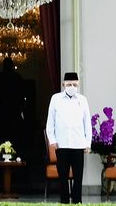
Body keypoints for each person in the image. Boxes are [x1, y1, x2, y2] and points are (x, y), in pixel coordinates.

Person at [45, 72, 91, 204]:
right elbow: (50, 123)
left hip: (78, 145)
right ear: (63, 84)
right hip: (61, 144)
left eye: (74, 84)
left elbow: (87, 123)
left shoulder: (82, 100)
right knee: (63, 177)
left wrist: (88, 143)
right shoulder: (56, 99)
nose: (72, 86)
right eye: (69, 84)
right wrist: (53, 141)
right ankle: (64, 201)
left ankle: (77, 201)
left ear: (78, 84)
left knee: (78, 176)